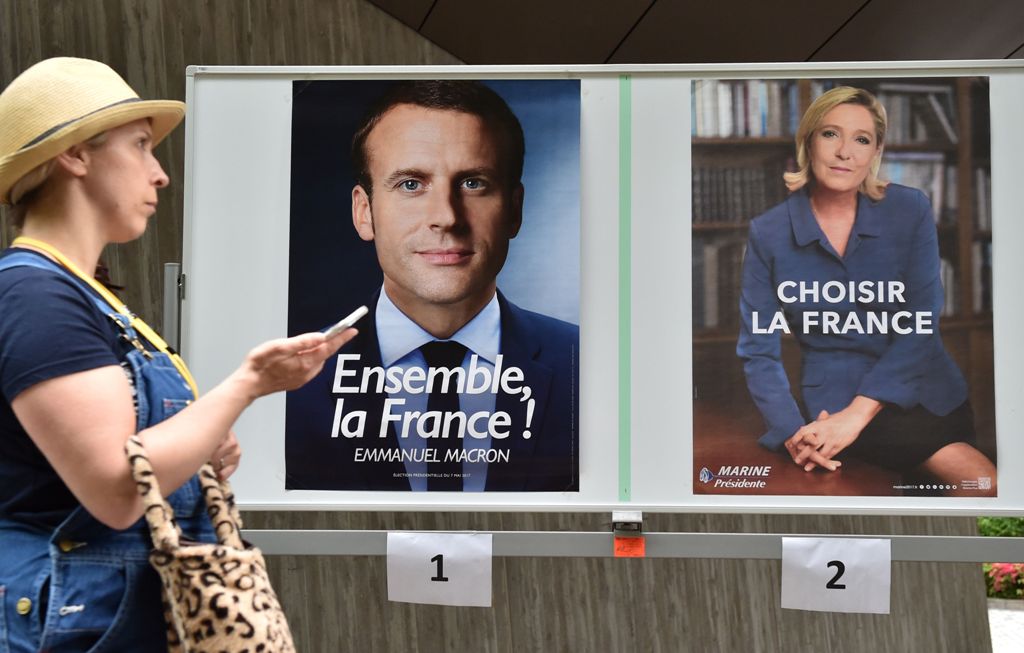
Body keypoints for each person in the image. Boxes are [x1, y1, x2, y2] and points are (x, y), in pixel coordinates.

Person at [0, 57, 356, 651]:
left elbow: (126, 460)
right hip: (77, 623)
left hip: (106, 616)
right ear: (76, 155)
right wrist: (247, 384)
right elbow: (120, 489)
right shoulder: (35, 295)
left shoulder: (79, 295)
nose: (160, 175)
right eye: (140, 145)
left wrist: (196, 445)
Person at [285, 81, 579, 492]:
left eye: (473, 183)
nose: (446, 217)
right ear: (364, 212)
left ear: (514, 210)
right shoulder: (289, 385)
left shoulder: (586, 369)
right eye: (411, 184)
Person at [736, 85, 996, 497]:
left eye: (862, 139)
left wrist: (855, 416)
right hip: (835, 402)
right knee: (973, 486)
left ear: (876, 152)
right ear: (807, 142)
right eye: (830, 134)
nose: (845, 152)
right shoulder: (768, 232)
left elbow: (921, 322)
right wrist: (793, 434)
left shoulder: (910, 209)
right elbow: (758, 350)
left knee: (980, 489)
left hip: (927, 392)